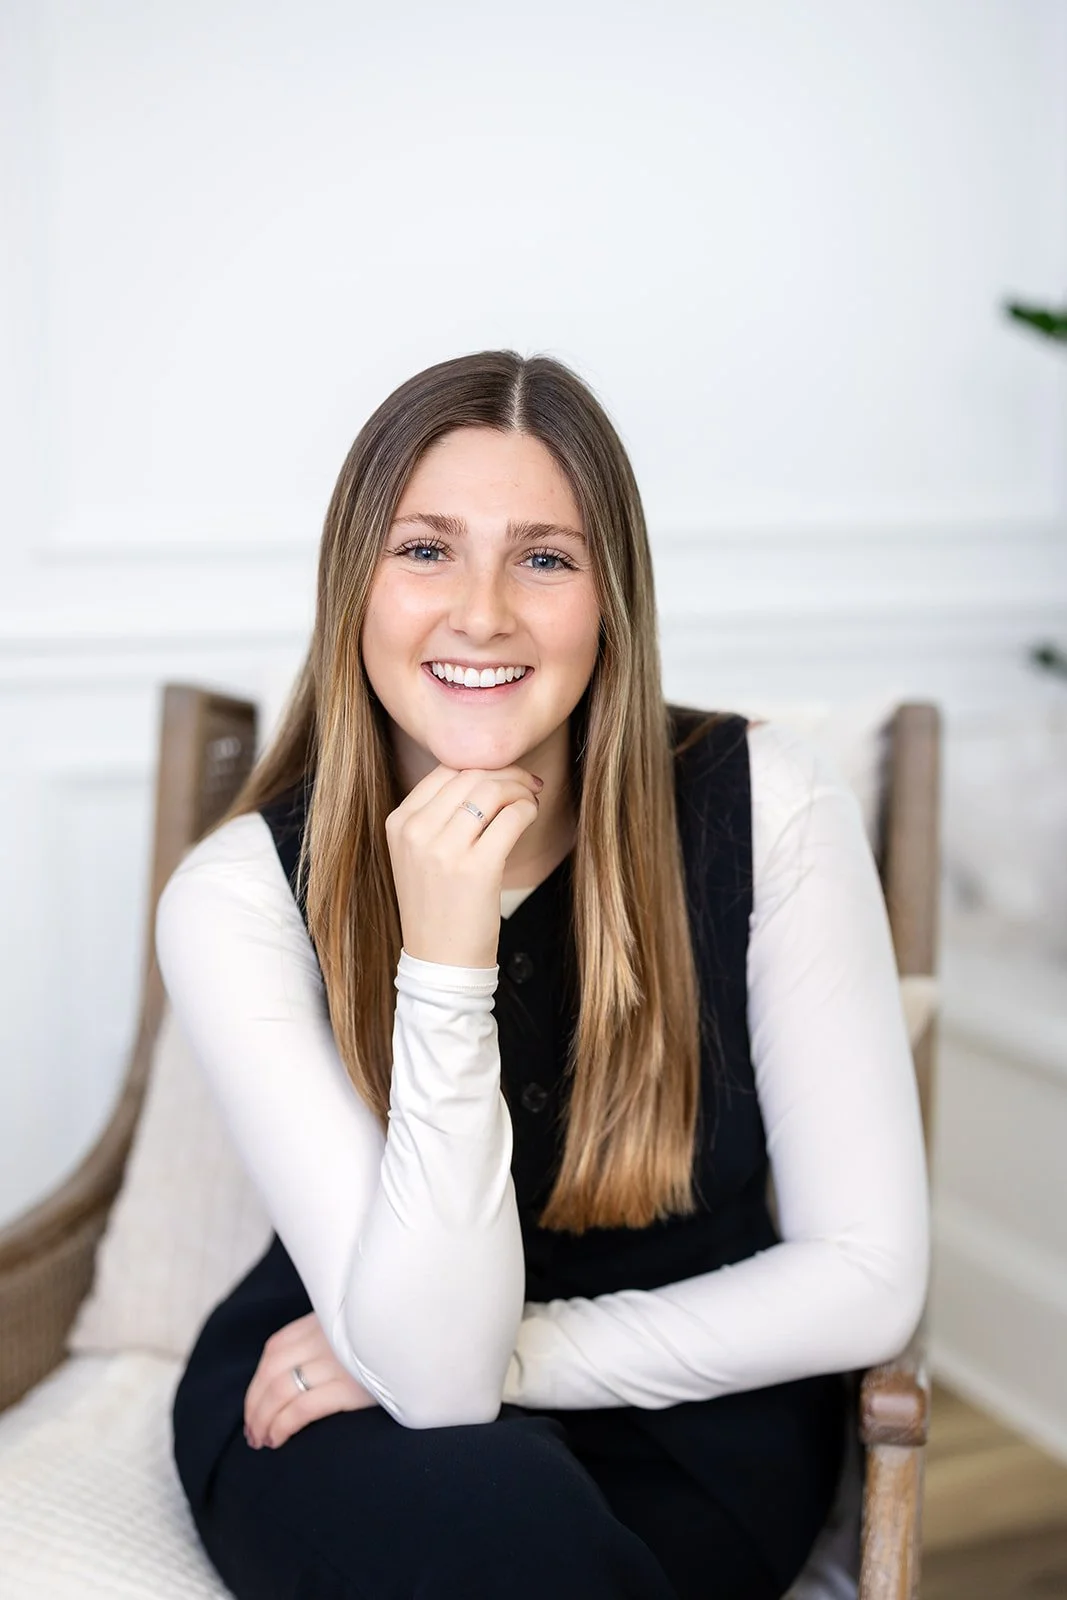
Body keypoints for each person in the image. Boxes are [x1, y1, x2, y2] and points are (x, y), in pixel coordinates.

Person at [155, 350, 929, 1600]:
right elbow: (433, 1379)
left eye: (543, 556)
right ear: (351, 585)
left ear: (609, 598)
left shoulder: (764, 808)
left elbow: (868, 1278)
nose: (480, 612)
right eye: (423, 550)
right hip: (346, 1385)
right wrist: (445, 961)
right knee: (488, 1508)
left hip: (695, 1410)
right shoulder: (235, 898)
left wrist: (525, 1355)